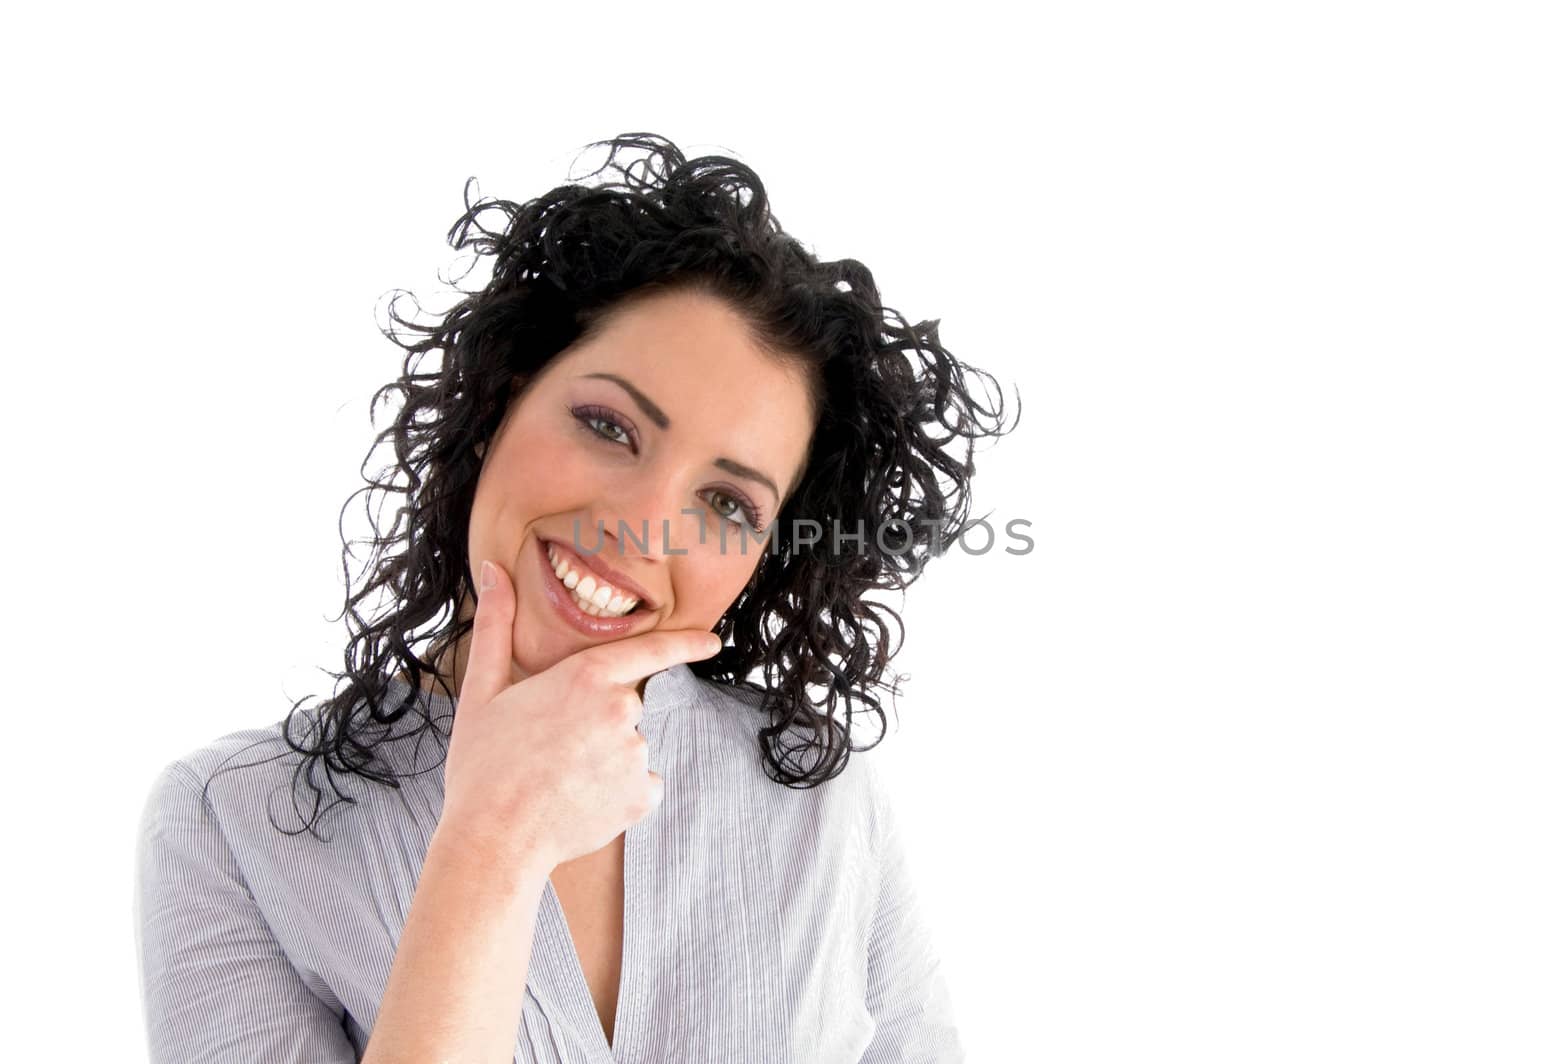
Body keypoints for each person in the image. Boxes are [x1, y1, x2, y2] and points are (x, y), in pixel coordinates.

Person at [133, 132, 1017, 1063]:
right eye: (609, 425)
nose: (641, 523)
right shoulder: (232, 824)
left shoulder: (814, 797)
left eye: (726, 502)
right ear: (505, 399)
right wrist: (490, 844)